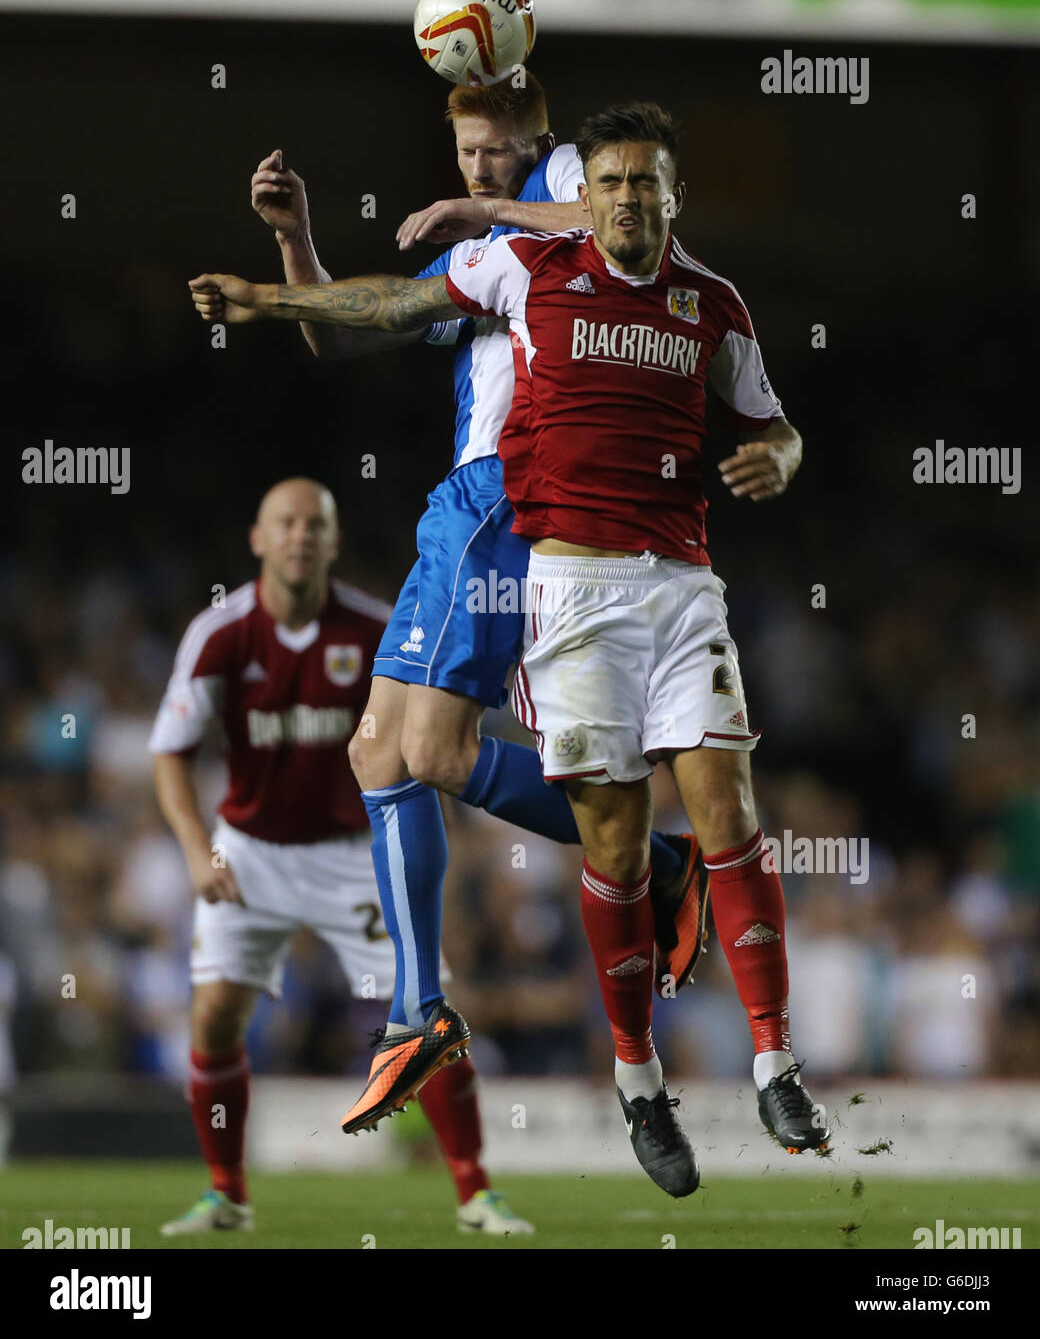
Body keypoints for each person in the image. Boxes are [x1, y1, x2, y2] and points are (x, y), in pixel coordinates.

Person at [188, 100, 832, 1198]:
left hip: (611, 554)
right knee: (413, 762)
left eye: (640, 184)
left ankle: (759, 1057)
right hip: (555, 566)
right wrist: (274, 283)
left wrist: (780, 451)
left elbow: (772, 418)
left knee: (681, 798)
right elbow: (371, 313)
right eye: (465, 154)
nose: (621, 198)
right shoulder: (518, 268)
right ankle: (569, 1045)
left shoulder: (696, 295)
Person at [233, 74, 706, 1136]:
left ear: (534, 144)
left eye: (497, 153)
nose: (481, 171)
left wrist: (489, 204)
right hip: (464, 502)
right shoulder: (487, 252)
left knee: (436, 752)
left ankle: (649, 866)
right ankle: (418, 1008)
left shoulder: (556, 194)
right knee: (378, 754)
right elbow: (347, 331)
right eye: (467, 159)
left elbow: (618, 219)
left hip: (510, 487)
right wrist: (294, 248)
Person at [150, 477, 532, 1236]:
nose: (300, 536)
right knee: (214, 1019)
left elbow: (422, 748)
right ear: (258, 540)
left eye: (314, 525)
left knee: (428, 1015)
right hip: (251, 854)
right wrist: (197, 852)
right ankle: (226, 1193)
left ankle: (475, 1193)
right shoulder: (220, 634)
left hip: (356, 855)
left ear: (333, 542)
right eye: (285, 523)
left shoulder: (373, 630)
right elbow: (170, 754)